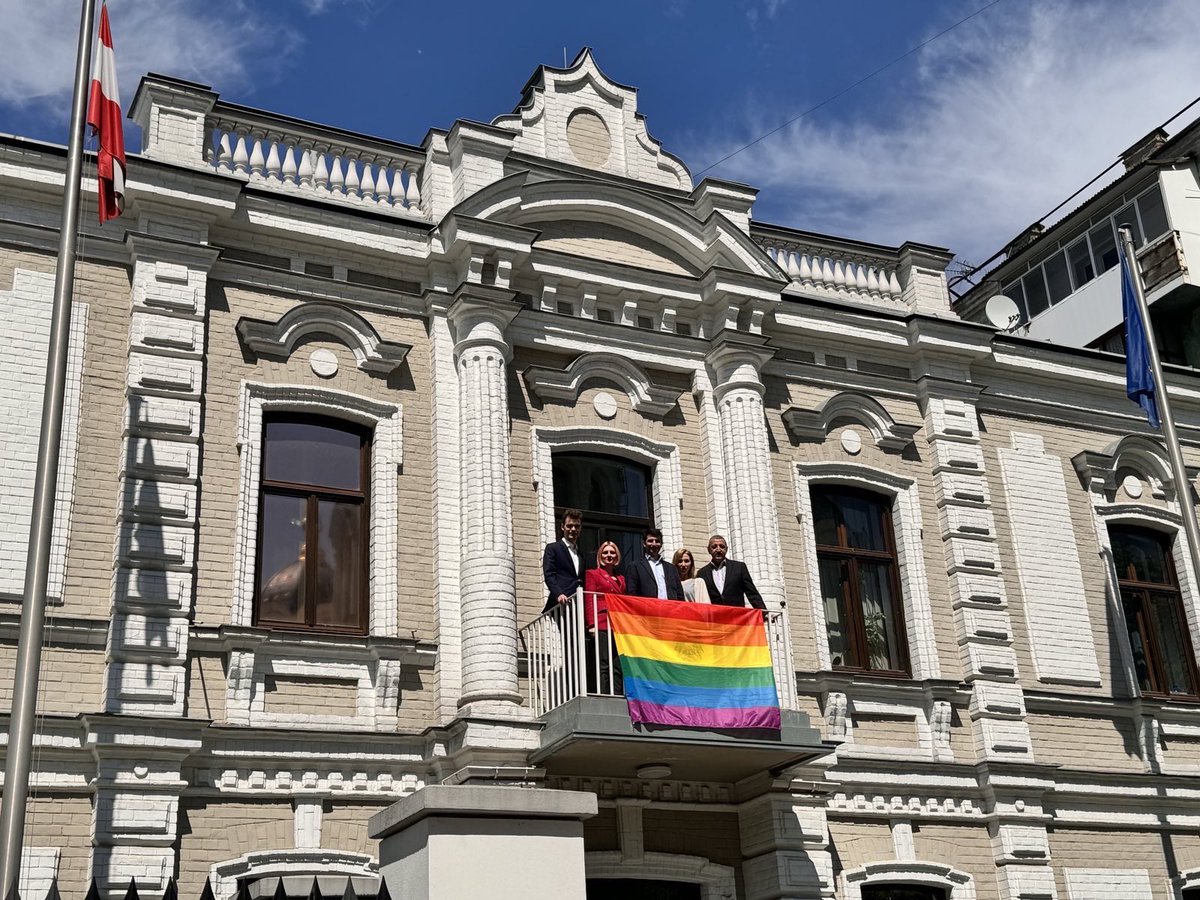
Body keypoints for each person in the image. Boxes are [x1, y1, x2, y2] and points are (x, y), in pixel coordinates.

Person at [583, 541, 625, 694]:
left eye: (612, 553)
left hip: (618, 624)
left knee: (618, 663)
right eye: (606, 552)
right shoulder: (593, 574)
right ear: (600, 556)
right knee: (604, 661)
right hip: (601, 621)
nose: (609, 555)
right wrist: (591, 624)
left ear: (617, 556)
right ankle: (605, 693)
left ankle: (618, 693)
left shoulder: (621, 578)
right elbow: (589, 600)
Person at [697, 534, 765, 609]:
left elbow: (752, 593)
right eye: (714, 547)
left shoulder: (739, 567)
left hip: (737, 617)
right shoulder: (701, 573)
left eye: (722, 546)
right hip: (714, 618)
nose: (718, 550)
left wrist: (764, 613)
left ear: (726, 549)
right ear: (709, 550)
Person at [624, 527, 685, 601]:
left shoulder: (671, 568)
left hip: (670, 610)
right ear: (644, 543)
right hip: (646, 611)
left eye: (657, 541)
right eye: (650, 541)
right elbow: (632, 594)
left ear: (661, 544)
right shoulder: (635, 566)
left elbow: (680, 595)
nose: (654, 544)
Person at [542, 508, 583, 613]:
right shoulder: (553, 548)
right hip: (561, 602)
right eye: (569, 526)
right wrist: (558, 594)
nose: (573, 529)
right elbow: (549, 574)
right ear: (562, 527)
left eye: (577, 526)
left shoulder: (581, 554)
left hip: (578, 604)